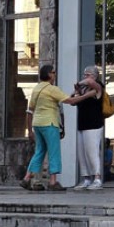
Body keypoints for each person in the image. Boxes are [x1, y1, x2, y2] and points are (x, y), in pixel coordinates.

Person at [19, 64, 86, 192]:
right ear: (49, 74)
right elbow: (70, 101)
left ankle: (27, 178)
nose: (55, 75)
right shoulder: (52, 89)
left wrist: (29, 130)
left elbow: (30, 110)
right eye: (54, 72)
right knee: (54, 152)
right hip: (49, 123)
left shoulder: (36, 89)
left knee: (39, 151)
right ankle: (53, 181)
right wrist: (86, 95)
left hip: (37, 124)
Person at [72, 66, 106, 191]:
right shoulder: (84, 89)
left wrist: (79, 84)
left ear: (94, 75)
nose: (85, 76)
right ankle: (86, 178)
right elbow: (74, 101)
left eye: (88, 74)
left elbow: (91, 82)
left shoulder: (98, 86)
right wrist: (77, 91)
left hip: (93, 124)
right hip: (82, 124)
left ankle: (97, 178)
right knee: (82, 153)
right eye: (84, 74)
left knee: (92, 152)